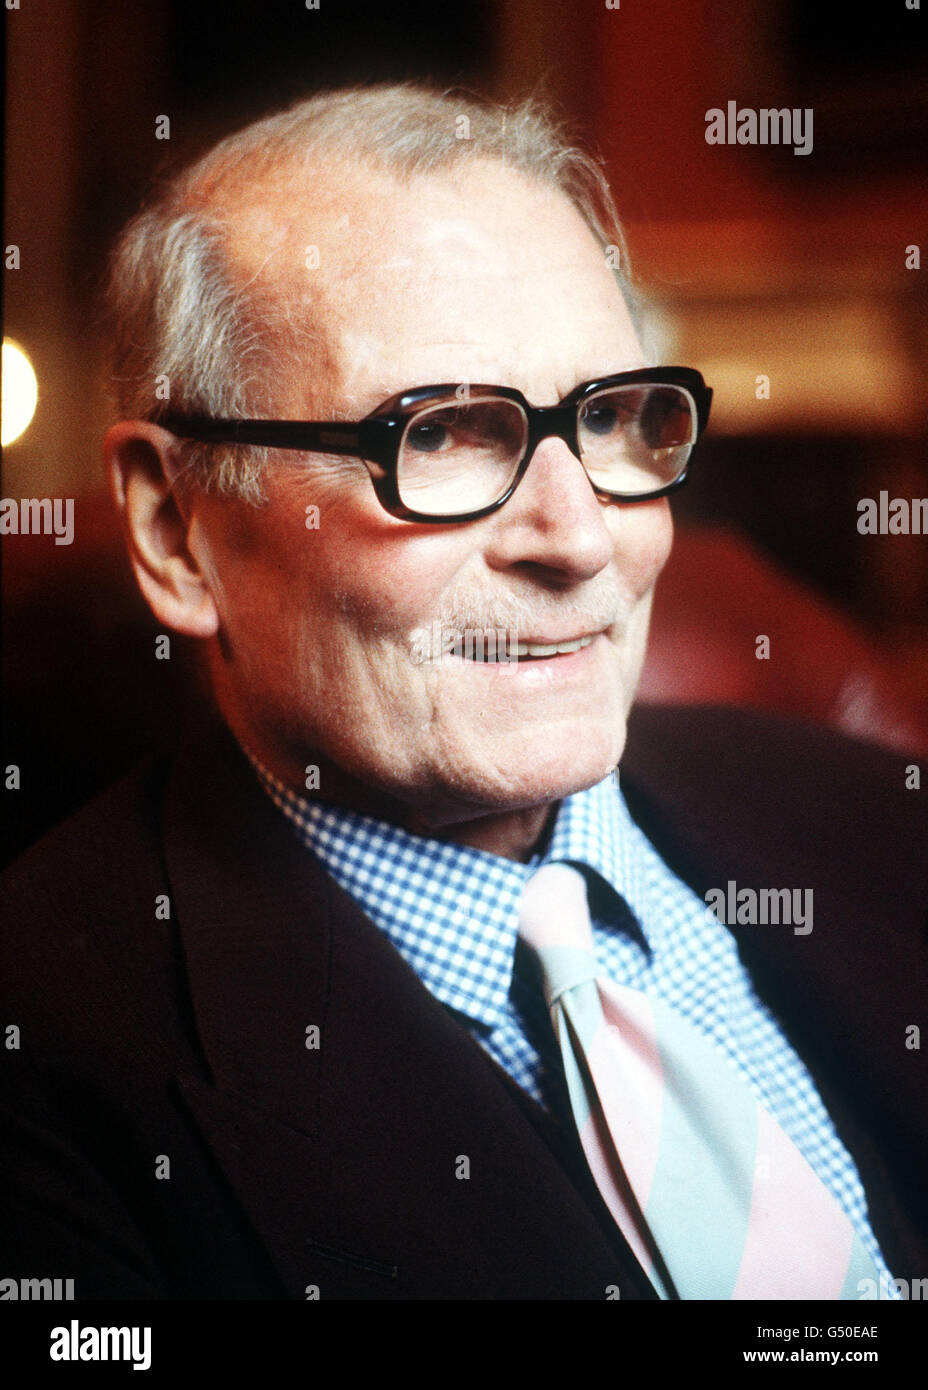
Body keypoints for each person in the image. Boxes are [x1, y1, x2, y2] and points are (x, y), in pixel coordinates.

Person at [1, 82, 925, 1302]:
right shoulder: (46, 1061)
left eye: (612, 417)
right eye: (439, 433)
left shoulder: (873, 814)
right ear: (178, 531)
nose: (582, 540)